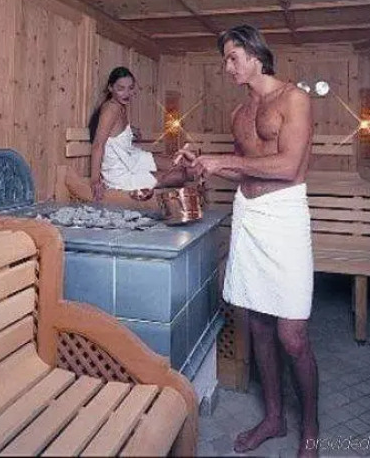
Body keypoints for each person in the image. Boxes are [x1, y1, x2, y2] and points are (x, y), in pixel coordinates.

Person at [175, 25, 318, 457]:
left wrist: (223, 159)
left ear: (256, 55)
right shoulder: (239, 114)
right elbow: (246, 168)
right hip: (249, 215)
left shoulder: (294, 99)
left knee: (292, 334)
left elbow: (289, 166)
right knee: (257, 324)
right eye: (225, 59)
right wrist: (205, 165)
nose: (227, 67)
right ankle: (274, 418)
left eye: (232, 57)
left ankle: (311, 426)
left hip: (284, 215)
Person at [88, 67, 189, 202]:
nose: (126, 93)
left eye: (130, 88)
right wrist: (95, 180)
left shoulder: (119, 106)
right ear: (110, 88)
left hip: (132, 158)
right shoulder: (111, 109)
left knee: (178, 165)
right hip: (120, 172)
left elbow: (114, 131)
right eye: (121, 88)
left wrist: (131, 131)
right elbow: (98, 144)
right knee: (180, 176)